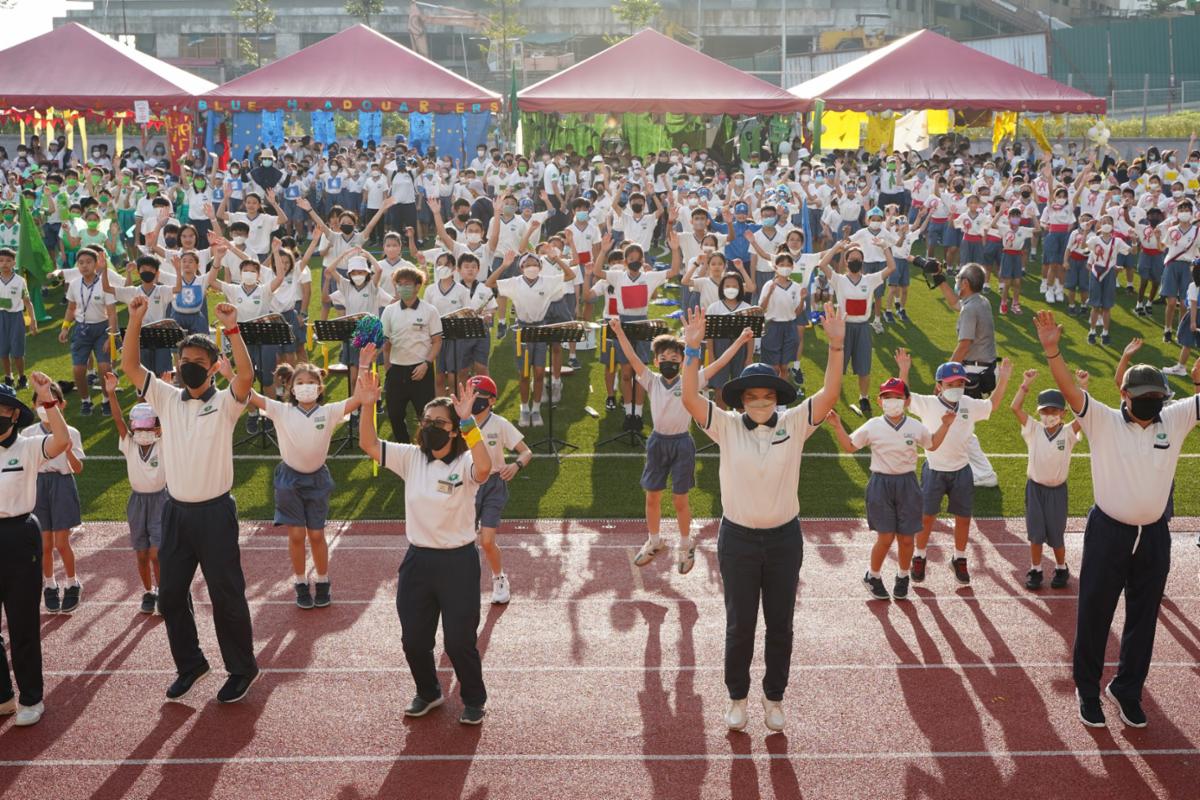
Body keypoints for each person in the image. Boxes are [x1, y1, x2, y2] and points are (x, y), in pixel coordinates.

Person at [679, 303, 846, 733]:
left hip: (784, 540)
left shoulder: (795, 421)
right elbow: (690, 398)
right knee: (740, 626)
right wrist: (692, 350)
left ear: (776, 398)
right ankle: (737, 698)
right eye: (751, 396)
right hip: (736, 540)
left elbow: (828, 395)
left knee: (780, 626)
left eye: (766, 396)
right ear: (741, 400)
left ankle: (774, 699)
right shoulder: (727, 425)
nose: (758, 403)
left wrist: (836, 345)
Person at [1033, 309, 1200, 729]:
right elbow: (1070, 391)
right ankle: (1088, 689)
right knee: (1095, 612)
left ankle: (1127, 689)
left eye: (1156, 395)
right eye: (1142, 394)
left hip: (1156, 536)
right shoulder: (1102, 420)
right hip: (1109, 532)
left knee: (1143, 619)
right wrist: (1053, 351)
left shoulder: (1175, 418)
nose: (1151, 402)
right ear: (1124, 393)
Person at [121, 293, 260, 704]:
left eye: (199, 361)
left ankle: (241, 668)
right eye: (184, 361)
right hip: (175, 512)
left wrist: (232, 328)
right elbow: (130, 366)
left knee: (226, 595)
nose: (189, 367)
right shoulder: (165, 397)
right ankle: (191, 663)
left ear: (215, 366)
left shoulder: (225, 403)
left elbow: (248, 377)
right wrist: (135, 318)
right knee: (169, 597)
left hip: (215, 513)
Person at [355, 365, 493, 725]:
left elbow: (485, 466)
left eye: (439, 423)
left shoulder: (463, 462)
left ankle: (474, 698)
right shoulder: (411, 457)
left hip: (458, 563)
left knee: (459, 642)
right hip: (418, 562)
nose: (431, 427)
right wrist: (367, 405)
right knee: (414, 640)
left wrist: (468, 423)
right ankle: (429, 692)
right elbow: (368, 444)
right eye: (426, 420)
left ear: (453, 430)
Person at [610, 318, 753, 574]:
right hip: (657, 442)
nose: (669, 361)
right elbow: (632, 358)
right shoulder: (651, 380)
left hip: (682, 443)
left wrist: (741, 341)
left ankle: (686, 544)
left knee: (679, 499)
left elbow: (719, 363)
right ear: (656, 361)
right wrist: (620, 331)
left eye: (675, 357)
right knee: (652, 496)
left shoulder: (691, 380)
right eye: (664, 357)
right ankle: (654, 540)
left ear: (682, 360)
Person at [245, 359, 363, 609]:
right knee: (297, 534)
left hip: (317, 478)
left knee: (317, 534)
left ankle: (322, 580)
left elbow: (358, 398)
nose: (306, 387)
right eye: (300, 383)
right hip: (289, 479)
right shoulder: (280, 410)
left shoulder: (328, 412)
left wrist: (364, 364)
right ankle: (300, 582)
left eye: (311, 383)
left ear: (320, 388)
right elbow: (249, 393)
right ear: (291, 388)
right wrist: (231, 372)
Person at [826, 378, 954, 601]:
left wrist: (946, 425)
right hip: (880, 485)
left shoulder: (914, 426)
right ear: (879, 400)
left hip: (907, 485)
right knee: (885, 538)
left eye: (897, 397)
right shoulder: (873, 425)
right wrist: (837, 426)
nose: (892, 401)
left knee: (906, 539)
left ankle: (902, 576)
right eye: (887, 397)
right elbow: (849, 447)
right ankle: (872, 576)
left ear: (906, 401)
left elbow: (932, 444)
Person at [897, 350, 1012, 586]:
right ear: (939, 386)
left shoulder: (968, 403)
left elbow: (993, 404)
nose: (958, 386)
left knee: (963, 518)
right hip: (935, 470)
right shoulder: (928, 404)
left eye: (961, 382)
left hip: (962, 470)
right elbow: (905, 399)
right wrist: (904, 370)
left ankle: (959, 558)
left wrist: (1005, 379)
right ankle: (920, 556)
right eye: (952, 383)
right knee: (927, 517)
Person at [0, 374, 73, 727]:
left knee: (22, 623)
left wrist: (47, 400)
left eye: (1, 409)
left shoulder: (28, 446)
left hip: (20, 536)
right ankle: (3, 696)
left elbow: (61, 442)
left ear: (14, 414)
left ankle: (31, 698)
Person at [1010, 369, 1083, 591]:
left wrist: (1082, 387)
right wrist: (1025, 383)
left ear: (1063, 413)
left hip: (1057, 491)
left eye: (1053, 411)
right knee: (1035, 533)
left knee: (1056, 533)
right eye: (1044, 411)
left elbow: (1084, 414)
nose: (1048, 415)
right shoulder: (1033, 429)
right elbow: (1015, 407)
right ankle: (1036, 569)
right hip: (1035, 489)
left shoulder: (1069, 433)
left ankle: (1061, 567)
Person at [929, 260, 1000, 488]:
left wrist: (944, 377)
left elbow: (963, 345)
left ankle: (985, 473)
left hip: (974, 372)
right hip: (983, 369)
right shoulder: (981, 301)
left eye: (958, 279)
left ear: (966, 283)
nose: (956, 281)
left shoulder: (970, 309)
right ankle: (979, 469)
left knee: (961, 421)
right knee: (962, 420)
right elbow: (954, 303)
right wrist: (940, 280)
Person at [102, 374, 167, 614]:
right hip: (137, 501)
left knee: (156, 553)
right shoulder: (128, 444)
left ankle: (162, 591)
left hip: (161, 500)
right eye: (138, 428)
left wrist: (163, 390)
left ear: (157, 428)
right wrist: (111, 393)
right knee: (141, 553)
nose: (142, 432)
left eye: (148, 427)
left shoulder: (163, 444)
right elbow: (117, 419)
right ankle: (148, 592)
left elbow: (170, 417)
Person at [465, 374, 531, 605]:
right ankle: (461, 583)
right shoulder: (461, 422)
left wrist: (516, 465)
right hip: (468, 484)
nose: (475, 401)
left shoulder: (500, 424)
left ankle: (499, 578)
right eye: (471, 395)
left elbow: (526, 451)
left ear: (492, 400)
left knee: (486, 540)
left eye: (479, 396)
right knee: (463, 540)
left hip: (493, 485)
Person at [23, 381, 85, 614]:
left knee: (61, 542)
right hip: (38, 486)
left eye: (51, 402)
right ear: (34, 405)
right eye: (40, 402)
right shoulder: (28, 434)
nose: (45, 406)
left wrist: (68, 450)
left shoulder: (71, 433)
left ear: (61, 405)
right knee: (44, 544)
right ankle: (49, 585)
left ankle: (72, 582)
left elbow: (78, 469)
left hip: (62, 484)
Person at [381, 265, 442, 443]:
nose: (402, 287)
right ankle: (404, 447)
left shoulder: (430, 311)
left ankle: (428, 448)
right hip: (396, 371)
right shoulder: (389, 311)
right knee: (394, 414)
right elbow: (385, 342)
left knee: (427, 417)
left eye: (407, 283)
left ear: (417, 286)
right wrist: (387, 365)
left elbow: (437, 341)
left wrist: (426, 364)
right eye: (399, 284)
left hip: (421, 370)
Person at [58, 246, 118, 416]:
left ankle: (107, 400)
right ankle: (86, 401)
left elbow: (112, 313)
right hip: (81, 330)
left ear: (96, 264)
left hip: (102, 330)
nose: (84, 266)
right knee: (78, 369)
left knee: (104, 366)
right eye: (81, 262)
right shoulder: (74, 284)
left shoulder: (105, 285)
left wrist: (110, 337)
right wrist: (65, 327)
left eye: (88, 262)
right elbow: (71, 309)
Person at [0, 247, 37, 389]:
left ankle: (22, 377)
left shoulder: (20, 281)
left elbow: (27, 302)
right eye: (1, 261)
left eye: (8, 261)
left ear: (14, 263)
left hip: (16, 318)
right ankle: (9, 377)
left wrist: (32, 320)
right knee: (2, 351)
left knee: (17, 352)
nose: (4, 264)